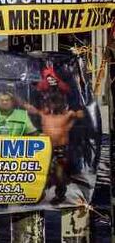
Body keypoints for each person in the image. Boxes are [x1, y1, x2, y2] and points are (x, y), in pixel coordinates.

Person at [19, 67, 85, 203]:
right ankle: (38, 194)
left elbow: (80, 114)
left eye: (57, 103)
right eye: (51, 103)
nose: (54, 105)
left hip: (60, 149)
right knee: (42, 172)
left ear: (62, 104)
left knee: (59, 173)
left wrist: (79, 109)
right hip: (45, 148)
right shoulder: (43, 114)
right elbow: (29, 107)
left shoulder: (68, 114)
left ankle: (60, 194)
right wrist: (17, 97)